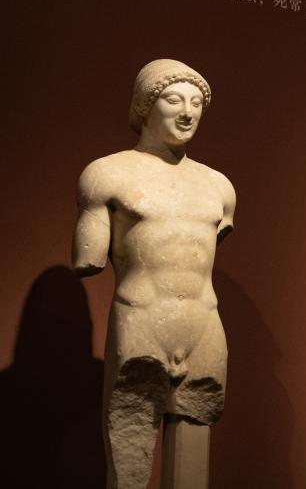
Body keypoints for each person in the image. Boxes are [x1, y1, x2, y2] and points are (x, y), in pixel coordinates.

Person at [72, 59, 235, 489]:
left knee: (193, 462)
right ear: (145, 106)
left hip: (204, 325)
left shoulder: (219, 187)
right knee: (129, 457)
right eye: (174, 99)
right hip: (140, 319)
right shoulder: (107, 175)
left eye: (196, 103)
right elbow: (88, 257)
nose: (187, 112)